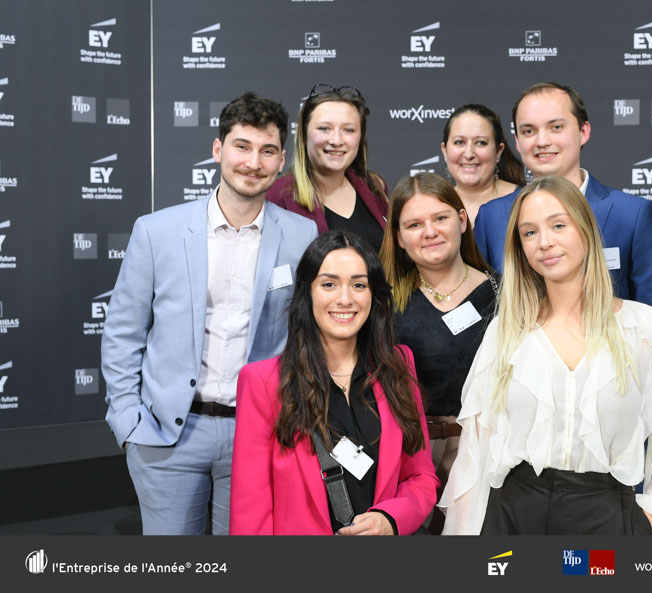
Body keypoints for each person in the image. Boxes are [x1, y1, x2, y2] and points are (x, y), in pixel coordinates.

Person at [439, 176, 652, 535]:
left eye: (558, 225)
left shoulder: (643, 328)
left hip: (606, 516)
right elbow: (474, 456)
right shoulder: (506, 331)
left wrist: (651, 517)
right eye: (529, 232)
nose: (544, 242)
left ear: (585, 229)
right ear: (520, 248)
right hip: (511, 518)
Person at [101, 92, 317, 535]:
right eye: (242, 146)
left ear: (282, 162)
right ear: (218, 149)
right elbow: (123, 332)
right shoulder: (156, 231)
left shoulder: (302, 235)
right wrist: (128, 421)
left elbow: (306, 334)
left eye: (267, 151)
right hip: (166, 436)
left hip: (258, 434)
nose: (253, 162)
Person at [230, 231, 438, 535]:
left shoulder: (397, 366)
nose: (345, 299)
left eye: (358, 285)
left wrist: (391, 519)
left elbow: (421, 478)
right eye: (329, 284)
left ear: (373, 294)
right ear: (308, 293)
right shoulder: (263, 382)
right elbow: (251, 511)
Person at [473, 82, 652, 339]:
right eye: (529, 131)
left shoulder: (632, 215)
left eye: (556, 127)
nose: (542, 141)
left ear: (583, 132)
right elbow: (482, 314)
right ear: (517, 141)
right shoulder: (492, 217)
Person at [380, 172, 497, 532]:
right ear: (399, 238)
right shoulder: (381, 302)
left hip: (484, 452)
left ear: (461, 220)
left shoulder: (503, 294)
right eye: (414, 224)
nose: (429, 232)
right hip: (409, 458)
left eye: (440, 218)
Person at [266, 84, 388, 253]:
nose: (336, 140)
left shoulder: (375, 187)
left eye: (348, 130)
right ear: (304, 135)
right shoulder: (276, 197)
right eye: (324, 128)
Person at [441, 104, 526, 225]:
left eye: (481, 143)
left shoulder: (524, 201)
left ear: (498, 151)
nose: (469, 154)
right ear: (445, 150)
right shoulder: (434, 205)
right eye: (459, 142)